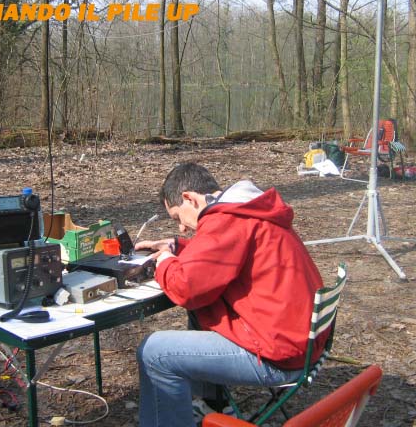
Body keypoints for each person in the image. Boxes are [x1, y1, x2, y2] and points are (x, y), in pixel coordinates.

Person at [135, 162, 328, 427]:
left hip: (278, 353)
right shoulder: (246, 211)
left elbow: (187, 288)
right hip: (301, 341)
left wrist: (165, 262)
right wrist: (176, 246)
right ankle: (215, 405)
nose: (182, 228)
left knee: (154, 352)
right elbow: (219, 253)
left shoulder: (227, 220)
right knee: (202, 310)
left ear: (189, 198)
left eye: (178, 218)